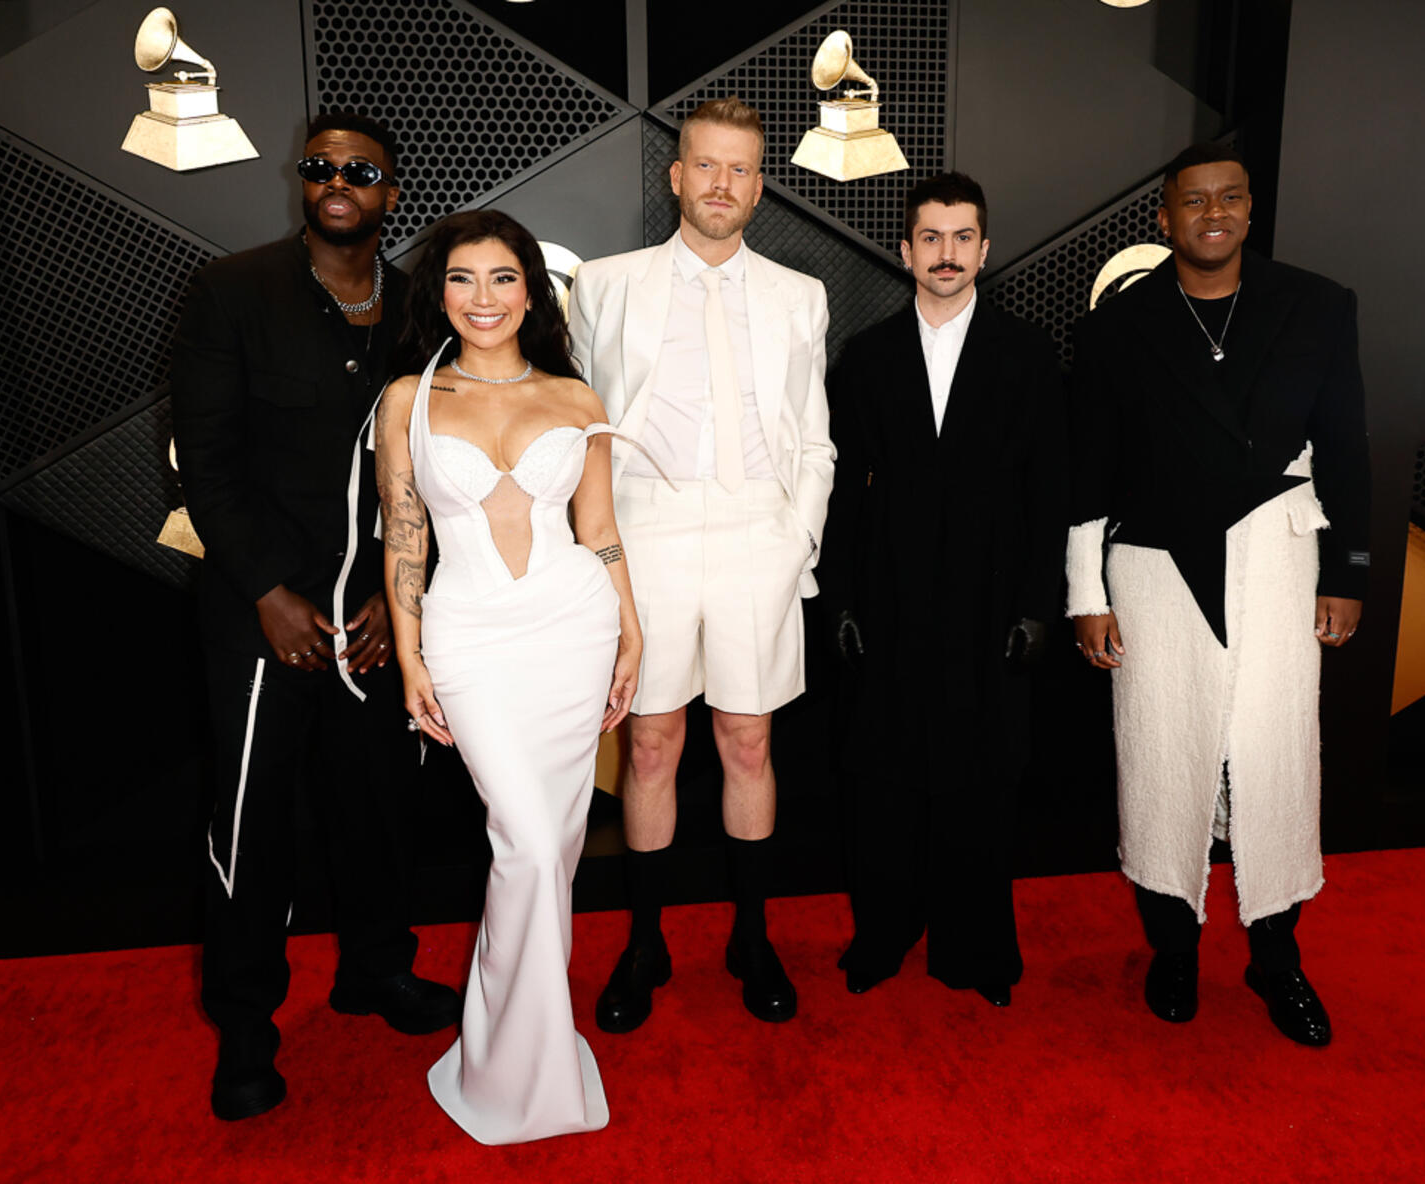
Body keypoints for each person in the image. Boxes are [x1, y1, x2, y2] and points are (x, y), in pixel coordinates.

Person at [170, 112, 461, 1122]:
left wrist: (398, 587)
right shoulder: (232, 291)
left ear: (391, 194)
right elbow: (204, 458)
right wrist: (266, 591)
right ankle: (246, 1025)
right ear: (305, 183)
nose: (337, 181)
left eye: (362, 171)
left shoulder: (422, 308)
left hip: (381, 611)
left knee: (378, 805)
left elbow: (434, 460)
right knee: (253, 826)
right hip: (264, 613)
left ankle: (376, 969)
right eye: (321, 166)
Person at [1066, 142, 1370, 1047]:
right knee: (1164, 751)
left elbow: (1347, 445)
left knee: (1274, 758)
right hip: (1156, 571)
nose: (1213, 212)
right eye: (1193, 200)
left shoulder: (1317, 305)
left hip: (1278, 562)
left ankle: (1277, 959)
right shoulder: (1116, 327)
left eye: (1229, 198)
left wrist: (1349, 573)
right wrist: (1086, 589)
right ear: (1163, 218)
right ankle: (1172, 948)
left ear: (1248, 209)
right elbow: (1090, 469)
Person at [376, 208, 644, 1144]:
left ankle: (525, 1047)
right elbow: (404, 534)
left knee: (553, 852)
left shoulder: (577, 397)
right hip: (470, 640)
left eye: (501, 278)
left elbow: (601, 531)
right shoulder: (410, 397)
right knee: (527, 843)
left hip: (573, 632)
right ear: (436, 292)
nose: (482, 298)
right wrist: (410, 660)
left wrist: (632, 636)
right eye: (461, 278)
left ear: (532, 290)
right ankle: (501, 1060)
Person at [569, 96, 834, 1031]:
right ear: (676, 175)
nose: (722, 184)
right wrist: (597, 554)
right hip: (644, 538)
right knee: (648, 744)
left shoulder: (801, 296)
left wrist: (795, 537)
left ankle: (750, 935)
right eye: (705, 166)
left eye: (740, 170)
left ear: (759, 187)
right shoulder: (602, 285)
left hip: (758, 539)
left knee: (749, 741)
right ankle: (646, 942)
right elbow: (580, 432)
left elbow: (816, 440)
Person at [818, 173, 1067, 1006]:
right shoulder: (866, 358)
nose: (947, 253)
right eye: (931, 238)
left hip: (993, 603)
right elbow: (846, 486)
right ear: (905, 251)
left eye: (963, 237)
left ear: (984, 249)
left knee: (983, 780)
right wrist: (844, 598)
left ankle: (976, 949)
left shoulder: (1030, 357)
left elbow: (1048, 494)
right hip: (887, 604)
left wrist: (1040, 605)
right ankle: (883, 936)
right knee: (882, 779)